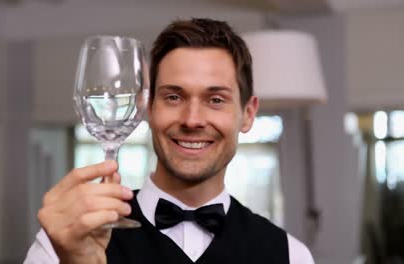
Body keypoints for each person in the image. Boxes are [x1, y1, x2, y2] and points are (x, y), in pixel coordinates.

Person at [25, 18, 314, 264]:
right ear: (148, 108)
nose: (192, 120)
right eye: (174, 97)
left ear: (248, 114)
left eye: (215, 99)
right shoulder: (63, 241)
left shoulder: (292, 255)